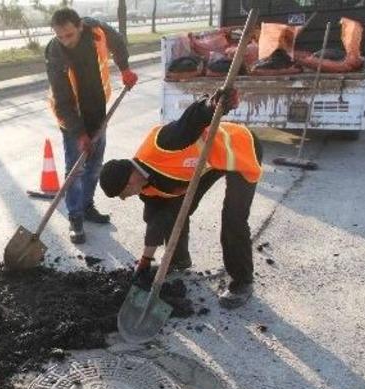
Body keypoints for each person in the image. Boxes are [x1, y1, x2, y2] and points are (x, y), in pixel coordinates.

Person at [98, 89, 263, 308]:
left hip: (238, 150)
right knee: (173, 211)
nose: (126, 198)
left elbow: (190, 121)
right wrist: (145, 262)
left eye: (123, 194)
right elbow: (156, 220)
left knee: (233, 218)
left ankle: (242, 282)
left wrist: (213, 105)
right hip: (205, 166)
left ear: (129, 181)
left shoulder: (163, 144)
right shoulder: (145, 186)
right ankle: (177, 260)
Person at [46, 7, 139, 244]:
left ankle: (87, 206)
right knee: (75, 169)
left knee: (94, 165)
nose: (65, 40)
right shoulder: (55, 53)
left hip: (97, 111)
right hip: (72, 118)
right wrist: (79, 134)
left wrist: (125, 68)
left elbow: (117, 42)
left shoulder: (97, 30)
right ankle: (75, 217)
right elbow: (63, 100)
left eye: (69, 34)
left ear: (80, 26)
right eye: (60, 36)